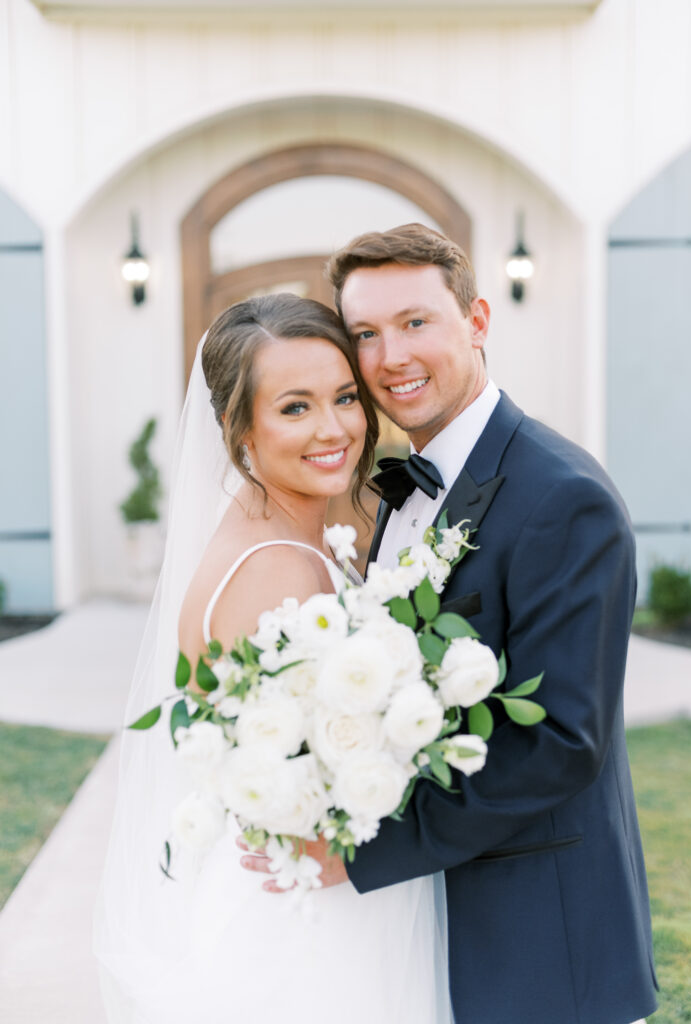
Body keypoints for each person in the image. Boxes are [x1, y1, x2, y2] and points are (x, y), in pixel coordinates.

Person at [243, 224, 658, 1024]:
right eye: (365, 333)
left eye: (414, 322)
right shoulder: (400, 489)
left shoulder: (563, 498)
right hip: (433, 927)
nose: (390, 355)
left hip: (539, 940)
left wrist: (361, 854)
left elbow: (561, 744)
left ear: (476, 321)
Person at [95, 293, 453, 1024]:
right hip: (305, 923)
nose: (334, 429)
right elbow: (308, 781)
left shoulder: (266, 535)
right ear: (238, 430)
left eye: (346, 397)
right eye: (295, 407)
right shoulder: (275, 570)